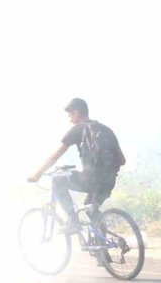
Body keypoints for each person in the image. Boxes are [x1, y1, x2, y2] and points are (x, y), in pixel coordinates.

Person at [28, 98, 126, 234]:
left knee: (58, 181)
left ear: (76, 112)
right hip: (108, 182)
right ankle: (102, 249)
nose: (69, 119)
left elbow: (54, 157)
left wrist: (37, 174)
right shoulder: (106, 130)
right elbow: (122, 160)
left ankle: (73, 222)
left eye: (69, 115)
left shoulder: (77, 130)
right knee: (90, 208)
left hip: (92, 181)